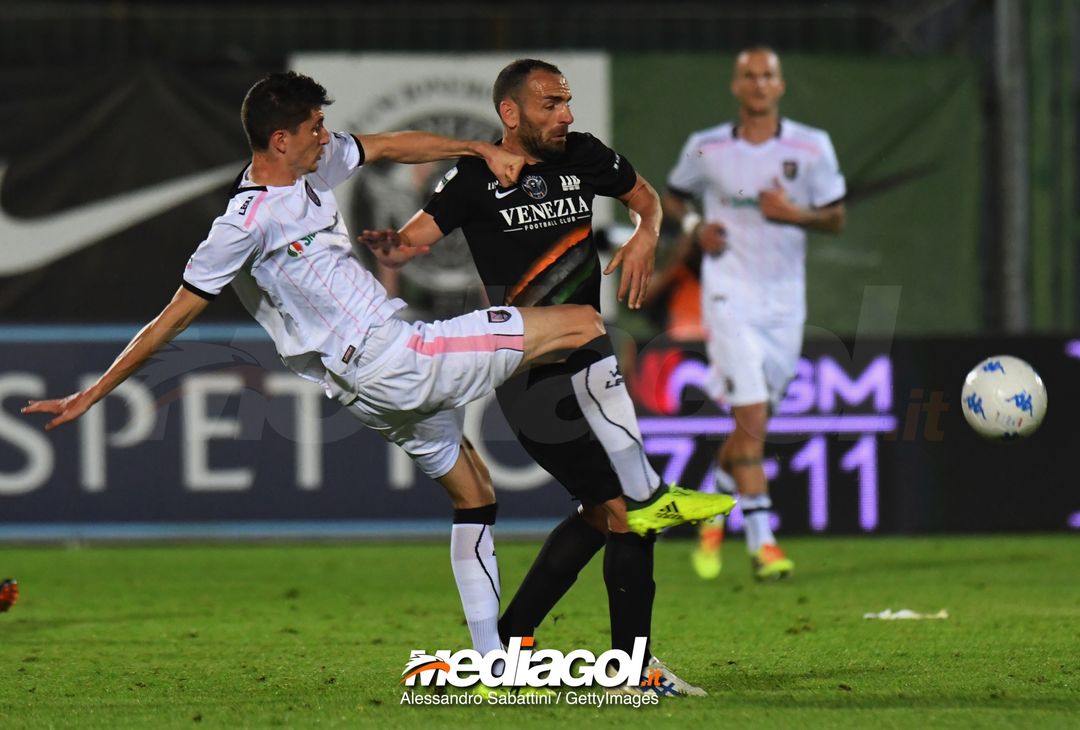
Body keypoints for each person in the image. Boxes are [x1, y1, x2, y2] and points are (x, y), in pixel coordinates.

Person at [20, 71, 610, 667]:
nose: (326, 136)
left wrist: (477, 148)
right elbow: (171, 319)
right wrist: (93, 393)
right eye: (314, 128)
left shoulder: (315, 168)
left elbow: (389, 145)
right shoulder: (244, 222)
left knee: (475, 495)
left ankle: (490, 663)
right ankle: (641, 491)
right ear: (281, 139)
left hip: (363, 390)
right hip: (395, 358)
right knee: (581, 319)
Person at [361, 58, 736, 696]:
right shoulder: (476, 178)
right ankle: (631, 670)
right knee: (626, 512)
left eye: (566, 101)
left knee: (601, 511)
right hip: (531, 376)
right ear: (511, 114)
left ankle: (510, 642)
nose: (565, 115)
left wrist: (648, 235)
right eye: (550, 105)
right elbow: (414, 238)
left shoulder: (584, 155)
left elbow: (646, 199)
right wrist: (392, 245)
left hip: (589, 359)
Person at [663, 47, 847, 581]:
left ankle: (715, 508)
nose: (759, 84)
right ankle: (763, 540)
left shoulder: (813, 147)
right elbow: (674, 198)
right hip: (728, 298)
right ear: (736, 86)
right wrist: (696, 226)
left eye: (768, 75)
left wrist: (797, 214)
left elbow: (835, 218)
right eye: (749, 76)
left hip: (785, 304)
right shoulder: (707, 147)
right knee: (753, 416)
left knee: (753, 421)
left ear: (781, 85)